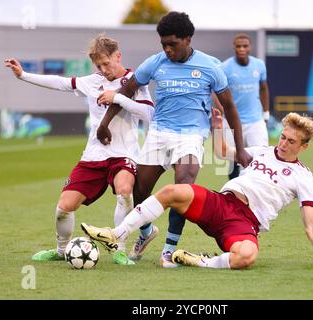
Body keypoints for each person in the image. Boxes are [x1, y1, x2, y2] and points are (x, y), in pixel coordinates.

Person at [80, 111, 313, 270]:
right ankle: (117, 234)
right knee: (174, 190)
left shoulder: (303, 176)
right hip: (221, 203)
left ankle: (201, 262)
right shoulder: (262, 152)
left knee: (247, 256)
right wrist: (218, 127)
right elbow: (222, 152)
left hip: (244, 224)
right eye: (283, 137)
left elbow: (310, 223)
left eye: (291, 141)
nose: (284, 144)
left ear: (303, 146)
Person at [96, 11, 252, 268]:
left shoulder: (210, 67)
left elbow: (231, 109)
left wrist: (240, 148)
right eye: (163, 44)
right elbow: (126, 90)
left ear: (188, 39)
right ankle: (145, 233)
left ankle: (168, 251)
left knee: (183, 188)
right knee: (139, 191)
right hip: (159, 133)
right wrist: (105, 123)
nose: (168, 49)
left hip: (191, 136)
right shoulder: (155, 63)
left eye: (173, 44)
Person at [5, 34, 154, 265]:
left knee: (124, 190)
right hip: (93, 156)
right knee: (64, 206)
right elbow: (61, 82)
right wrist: (23, 75)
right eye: (99, 65)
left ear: (118, 56)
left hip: (124, 154)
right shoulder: (92, 81)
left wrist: (119, 98)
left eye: (107, 63)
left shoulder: (135, 81)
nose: (103, 69)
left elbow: (148, 114)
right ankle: (62, 250)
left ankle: (119, 249)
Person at [214, 33, 270, 180]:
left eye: (245, 46)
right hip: (232, 121)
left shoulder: (259, 65)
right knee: (232, 159)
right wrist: (222, 110)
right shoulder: (224, 67)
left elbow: (264, 88)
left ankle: (258, 189)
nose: (241, 49)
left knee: (262, 156)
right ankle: (233, 194)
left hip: (255, 122)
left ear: (250, 47)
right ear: (234, 47)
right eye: (238, 46)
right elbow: (215, 91)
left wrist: (266, 113)